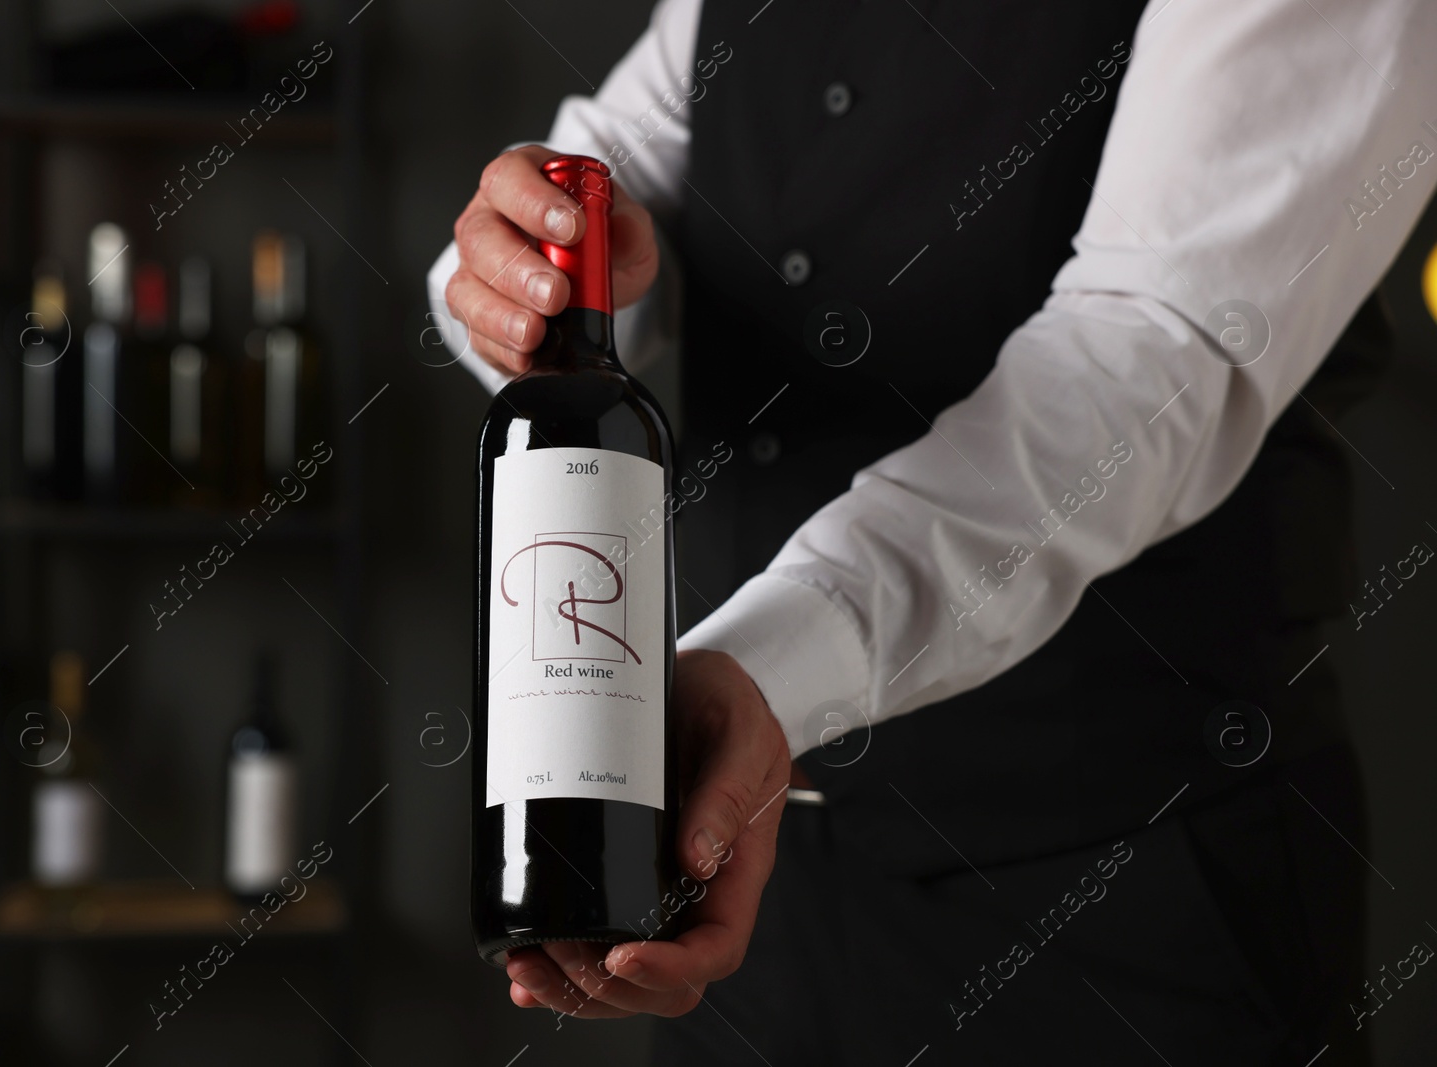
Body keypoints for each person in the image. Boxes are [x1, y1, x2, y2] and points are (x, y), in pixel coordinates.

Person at [428, 0, 1436, 1062]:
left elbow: (1152, 352)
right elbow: (616, 166)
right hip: (744, 895)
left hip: (1123, 886)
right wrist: (534, 278)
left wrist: (776, 663)